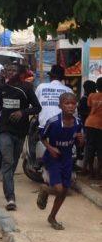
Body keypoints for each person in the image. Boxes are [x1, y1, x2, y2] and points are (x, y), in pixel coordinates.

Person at [0, 62, 41, 211]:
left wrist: (22, 112)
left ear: (20, 73)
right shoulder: (2, 88)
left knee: (13, 162)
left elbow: (37, 107)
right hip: (4, 129)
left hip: (20, 131)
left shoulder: (26, 88)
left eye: (13, 70)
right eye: (8, 69)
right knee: (8, 161)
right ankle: (10, 198)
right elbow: (0, 105)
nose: (10, 72)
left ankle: (8, 180)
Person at [36, 93, 84, 230]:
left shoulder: (78, 122)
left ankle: (52, 217)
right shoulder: (54, 122)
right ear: (60, 106)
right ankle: (44, 189)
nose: (70, 106)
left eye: (73, 103)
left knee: (64, 191)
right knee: (58, 189)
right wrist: (50, 148)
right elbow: (42, 136)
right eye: (67, 103)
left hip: (67, 158)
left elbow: (79, 143)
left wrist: (81, 141)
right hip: (53, 159)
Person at [84, 77, 102, 179]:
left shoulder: (91, 95)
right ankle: (99, 172)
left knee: (90, 148)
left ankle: (91, 172)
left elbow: (90, 109)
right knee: (100, 149)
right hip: (100, 125)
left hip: (90, 123)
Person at [78, 80, 96, 170]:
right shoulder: (87, 99)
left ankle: (85, 167)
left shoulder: (85, 99)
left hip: (87, 125)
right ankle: (85, 167)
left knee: (88, 146)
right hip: (89, 125)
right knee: (88, 146)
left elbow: (81, 112)